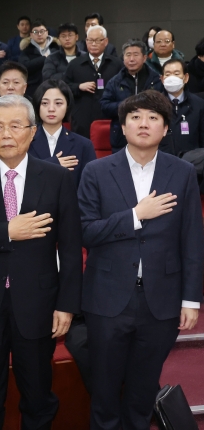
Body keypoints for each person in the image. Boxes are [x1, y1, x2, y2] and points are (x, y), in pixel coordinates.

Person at [78, 90, 202, 430]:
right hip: (107, 297)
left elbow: (192, 238)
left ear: (165, 129)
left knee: (142, 393)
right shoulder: (96, 171)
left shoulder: (183, 172)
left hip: (161, 301)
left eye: (152, 118)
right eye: (135, 117)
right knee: (103, 395)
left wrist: (191, 299)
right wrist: (135, 215)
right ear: (122, 126)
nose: (143, 124)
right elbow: (85, 232)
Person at [0, 94, 82, 430]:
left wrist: (67, 305)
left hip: (39, 304)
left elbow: (71, 248)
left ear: (32, 132)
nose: (6, 134)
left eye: (15, 126)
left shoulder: (57, 177)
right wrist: (7, 231)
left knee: (38, 394)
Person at [100, 39, 164, 152]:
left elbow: (164, 106)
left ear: (144, 58)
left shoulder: (156, 79)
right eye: (128, 55)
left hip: (151, 134)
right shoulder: (115, 81)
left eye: (136, 55)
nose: (131, 59)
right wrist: (128, 106)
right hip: (121, 137)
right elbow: (104, 106)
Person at [30, 79, 96, 187]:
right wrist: (53, 164)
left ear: (67, 106)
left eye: (58, 103)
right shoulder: (25, 140)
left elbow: (90, 187)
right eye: (45, 103)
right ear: (37, 106)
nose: (51, 109)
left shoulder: (83, 145)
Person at [63, 25, 123, 139]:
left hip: (109, 118)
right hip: (82, 118)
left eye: (97, 40)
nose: (93, 44)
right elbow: (64, 88)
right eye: (90, 40)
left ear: (106, 41)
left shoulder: (116, 64)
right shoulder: (75, 64)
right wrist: (79, 87)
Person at [159, 59, 204, 156]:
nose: (172, 78)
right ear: (162, 79)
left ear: (186, 77)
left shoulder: (199, 104)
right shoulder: (154, 105)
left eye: (176, 73)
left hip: (192, 162)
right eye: (167, 74)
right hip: (161, 161)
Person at [19, 20, 60, 99]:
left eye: (42, 31)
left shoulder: (56, 48)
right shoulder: (27, 50)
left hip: (55, 88)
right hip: (33, 90)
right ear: (31, 34)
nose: (39, 34)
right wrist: (45, 58)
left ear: (47, 32)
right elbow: (24, 67)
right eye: (35, 32)